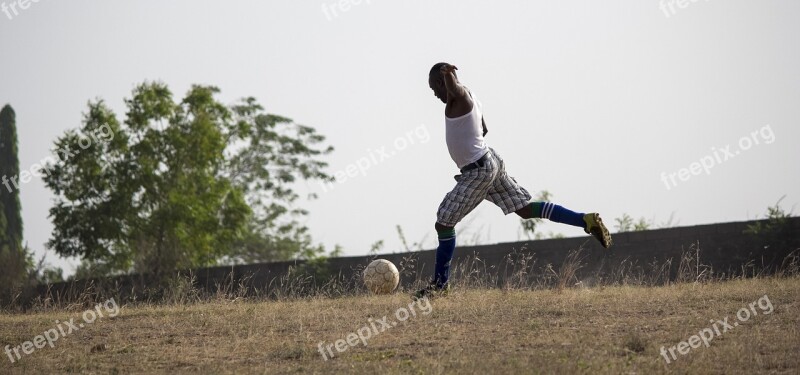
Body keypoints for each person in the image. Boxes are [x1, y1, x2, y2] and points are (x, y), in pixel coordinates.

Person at [414, 63, 612, 299]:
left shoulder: (460, 96)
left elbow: (454, 89)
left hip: (478, 170)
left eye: (434, 88)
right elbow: (484, 129)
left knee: (443, 223)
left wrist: (447, 74)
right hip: (489, 161)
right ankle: (585, 220)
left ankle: (440, 285)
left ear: (441, 82)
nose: (435, 94)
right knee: (525, 210)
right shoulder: (471, 98)